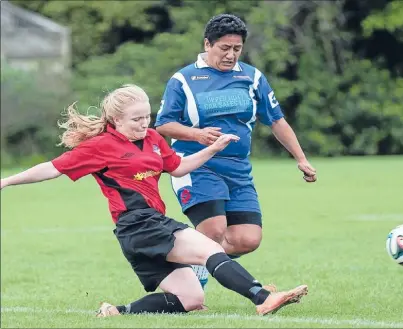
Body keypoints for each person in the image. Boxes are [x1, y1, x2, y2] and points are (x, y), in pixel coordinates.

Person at [0, 84, 308, 317]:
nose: (144, 123)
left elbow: (178, 167)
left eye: (147, 116)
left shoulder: (152, 139)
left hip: (147, 227)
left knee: (191, 299)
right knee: (210, 249)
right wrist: (6, 181)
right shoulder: (100, 146)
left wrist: (213, 148)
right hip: (138, 225)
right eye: (136, 119)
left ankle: (118, 311)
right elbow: (51, 169)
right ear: (116, 120)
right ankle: (260, 297)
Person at [155, 14, 317, 288]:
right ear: (208, 44)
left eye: (237, 49)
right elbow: (163, 124)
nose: (231, 55)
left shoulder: (252, 77)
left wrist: (300, 158)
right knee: (213, 230)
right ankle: (193, 295)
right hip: (197, 165)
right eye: (224, 48)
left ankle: (184, 261)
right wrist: (197, 134)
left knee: (247, 239)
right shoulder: (183, 79)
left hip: (238, 170)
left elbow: (276, 119)